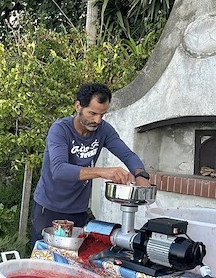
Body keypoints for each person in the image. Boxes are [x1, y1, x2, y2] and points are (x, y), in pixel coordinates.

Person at [31, 82, 151, 247]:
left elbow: (127, 155)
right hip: (49, 208)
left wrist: (141, 175)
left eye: (102, 114)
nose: (98, 120)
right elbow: (59, 170)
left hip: (78, 210)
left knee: (75, 262)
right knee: (44, 259)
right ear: (78, 106)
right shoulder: (60, 130)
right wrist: (103, 172)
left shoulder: (104, 130)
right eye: (92, 113)